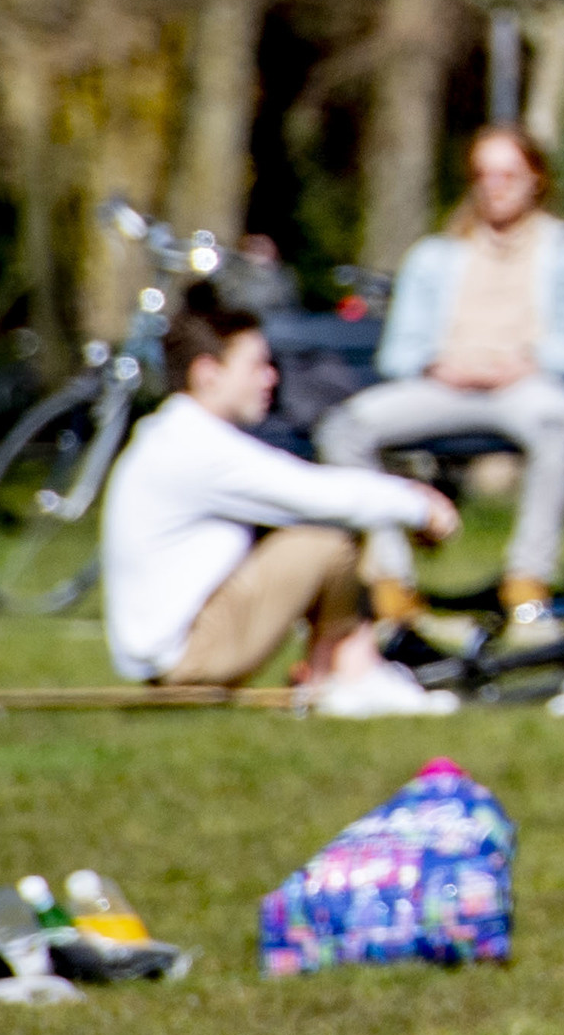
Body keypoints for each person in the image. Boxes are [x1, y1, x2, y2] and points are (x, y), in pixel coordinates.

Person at [318, 122, 564, 634]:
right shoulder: (435, 256)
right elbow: (399, 354)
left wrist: (534, 360)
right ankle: (392, 585)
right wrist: (438, 365)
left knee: (553, 423)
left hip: (527, 385)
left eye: (509, 173)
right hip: (446, 384)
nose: (495, 186)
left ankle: (527, 582)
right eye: (484, 174)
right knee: (345, 428)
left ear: (536, 179)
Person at [100, 283, 465, 716]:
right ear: (207, 374)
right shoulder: (195, 446)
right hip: (187, 658)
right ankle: (350, 676)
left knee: (317, 528)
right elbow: (319, 494)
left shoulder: (175, 436)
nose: (271, 378)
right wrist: (420, 505)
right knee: (327, 536)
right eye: (256, 365)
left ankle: (339, 671)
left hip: (173, 651)